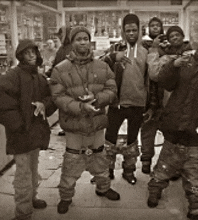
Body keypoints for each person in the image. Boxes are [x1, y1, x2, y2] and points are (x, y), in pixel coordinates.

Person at [147, 32, 198, 220]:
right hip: (175, 121)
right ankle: (155, 189)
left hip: (196, 126)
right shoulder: (185, 59)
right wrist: (173, 66)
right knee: (164, 162)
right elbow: (166, 83)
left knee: (193, 169)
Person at [49, 26, 120, 215]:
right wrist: (80, 107)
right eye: (78, 39)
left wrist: (97, 100)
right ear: (72, 43)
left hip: (96, 123)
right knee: (71, 162)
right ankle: (65, 197)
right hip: (74, 126)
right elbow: (58, 97)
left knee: (100, 158)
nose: (82, 42)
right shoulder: (60, 69)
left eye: (85, 38)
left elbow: (112, 90)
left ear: (90, 41)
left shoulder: (103, 66)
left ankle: (103, 187)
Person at [0, 39, 56, 220]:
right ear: (20, 55)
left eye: (33, 51)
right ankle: (23, 212)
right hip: (21, 135)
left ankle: (32, 197)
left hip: (35, 133)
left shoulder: (39, 78)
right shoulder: (12, 76)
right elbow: (4, 104)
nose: (31, 55)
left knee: (33, 168)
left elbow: (50, 98)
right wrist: (19, 126)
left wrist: (43, 104)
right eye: (27, 52)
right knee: (23, 173)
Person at [102, 13, 149, 185]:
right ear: (122, 31)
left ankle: (129, 171)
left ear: (139, 31)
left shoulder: (146, 51)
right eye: (127, 30)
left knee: (132, 140)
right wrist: (112, 57)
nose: (131, 33)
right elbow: (99, 66)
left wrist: (149, 104)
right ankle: (107, 171)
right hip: (117, 103)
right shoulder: (115, 49)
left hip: (137, 103)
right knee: (110, 139)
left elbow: (150, 81)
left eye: (134, 30)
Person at [141, 25, 193, 178]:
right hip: (155, 100)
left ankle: (172, 166)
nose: (175, 38)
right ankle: (146, 160)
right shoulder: (162, 55)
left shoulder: (192, 54)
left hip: (178, 103)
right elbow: (154, 74)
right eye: (172, 36)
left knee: (173, 136)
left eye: (178, 35)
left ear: (183, 36)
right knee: (149, 130)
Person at [140, 17, 165, 174]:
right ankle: (146, 160)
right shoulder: (143, 45)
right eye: (152, 26)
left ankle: (165, 164)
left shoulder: (169, 45)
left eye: (158, 25)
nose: (155, 28)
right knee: (147, 131)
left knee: (168, 133)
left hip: (165, 95)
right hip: (148, 93)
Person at [45, 26, 73, 136]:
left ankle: (70, 128)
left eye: (61, 35)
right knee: (63, 107)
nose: (60, 37)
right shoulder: (62, 49)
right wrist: (46, 74)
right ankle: (66, 128)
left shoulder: (71, 49)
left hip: (69, 84)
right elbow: (55, 66)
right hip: (61, 84)